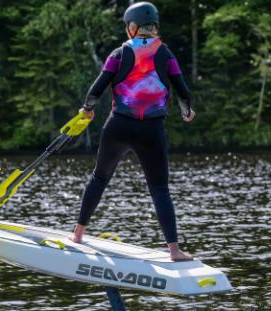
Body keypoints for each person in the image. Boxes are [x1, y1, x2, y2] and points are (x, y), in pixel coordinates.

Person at [69, 2, 195, 261]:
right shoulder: (166, 54)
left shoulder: (118, 54)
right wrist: (187, 110)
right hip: (152, 131)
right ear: (155, 26)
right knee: (160, 189)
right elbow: (183, 90)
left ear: (132, 27)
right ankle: (174, 250)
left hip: (119, 126)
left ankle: (78, 235)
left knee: (99, 178)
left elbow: (96, 88)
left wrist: (88, 109)